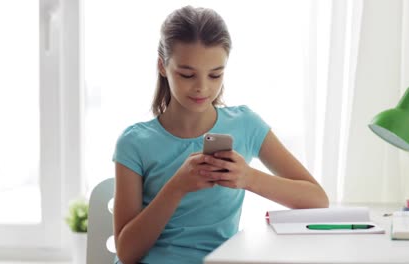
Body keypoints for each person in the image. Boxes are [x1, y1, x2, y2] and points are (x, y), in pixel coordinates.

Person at [112, 5, 329, 264]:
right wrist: (177, 187)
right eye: (187, 74)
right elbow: (126, 254)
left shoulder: (246, 125)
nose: (202, 87)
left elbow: (317, 200)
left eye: (216, 74)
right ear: (162, 66)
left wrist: (248, 178)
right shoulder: (134, 142)